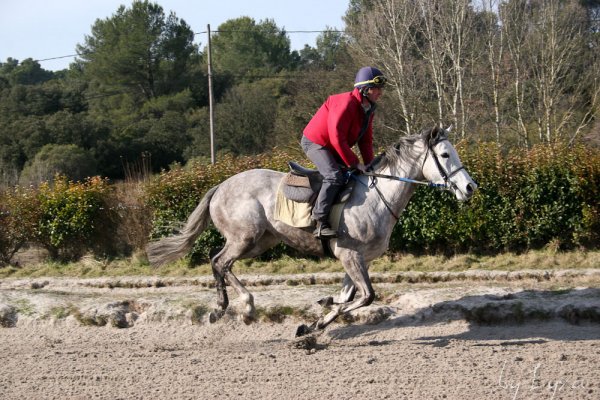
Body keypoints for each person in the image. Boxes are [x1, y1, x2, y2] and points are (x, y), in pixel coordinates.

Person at [301, 66, 387, 238]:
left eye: (380, 89)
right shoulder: (345, 103)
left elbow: (365, 141)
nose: (380, 92)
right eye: (376, 88)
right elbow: (336, 138)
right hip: (316, 142)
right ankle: (319, 221)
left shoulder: (369, 109)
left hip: (333, 145)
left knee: (354, 176)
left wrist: (370, 166)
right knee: (334, 176)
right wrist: (355, 162)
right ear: (365, 89)